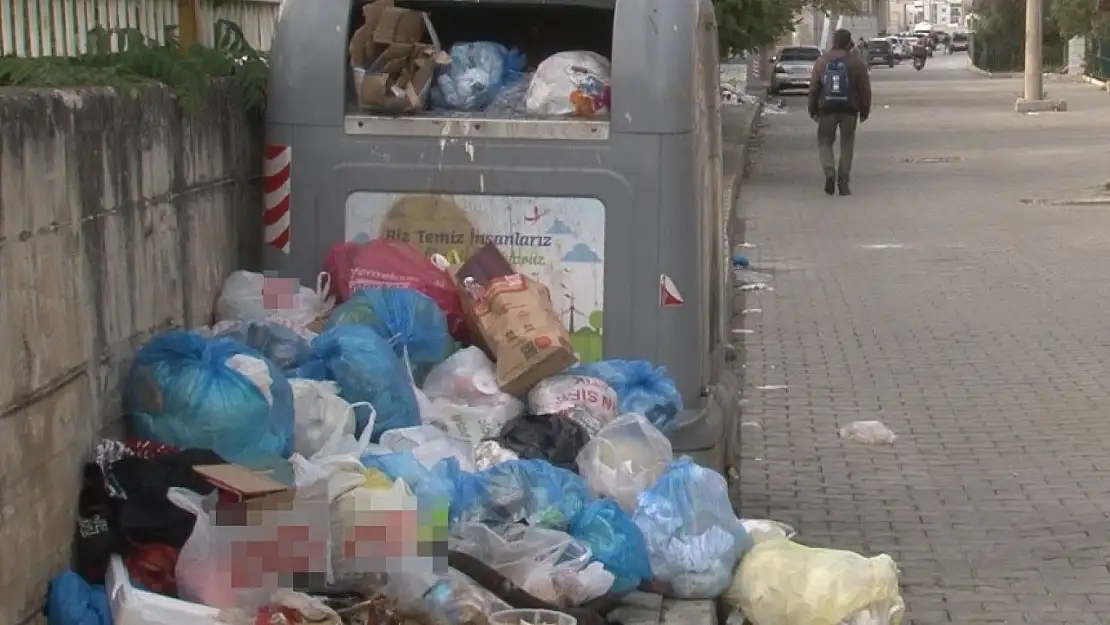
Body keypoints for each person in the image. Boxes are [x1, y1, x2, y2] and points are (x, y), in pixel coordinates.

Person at [808, 28, 872, 196]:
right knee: (847, 145)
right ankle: (843, 182)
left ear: (833, 41)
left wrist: (812, 109)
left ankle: (829, 172)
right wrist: (865, 110)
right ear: (849, 42)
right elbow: (864, 89)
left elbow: (814, 88)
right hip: (849, 110)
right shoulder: (856, 62)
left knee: (824, 142)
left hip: (827, 109)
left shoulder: (822, 62)